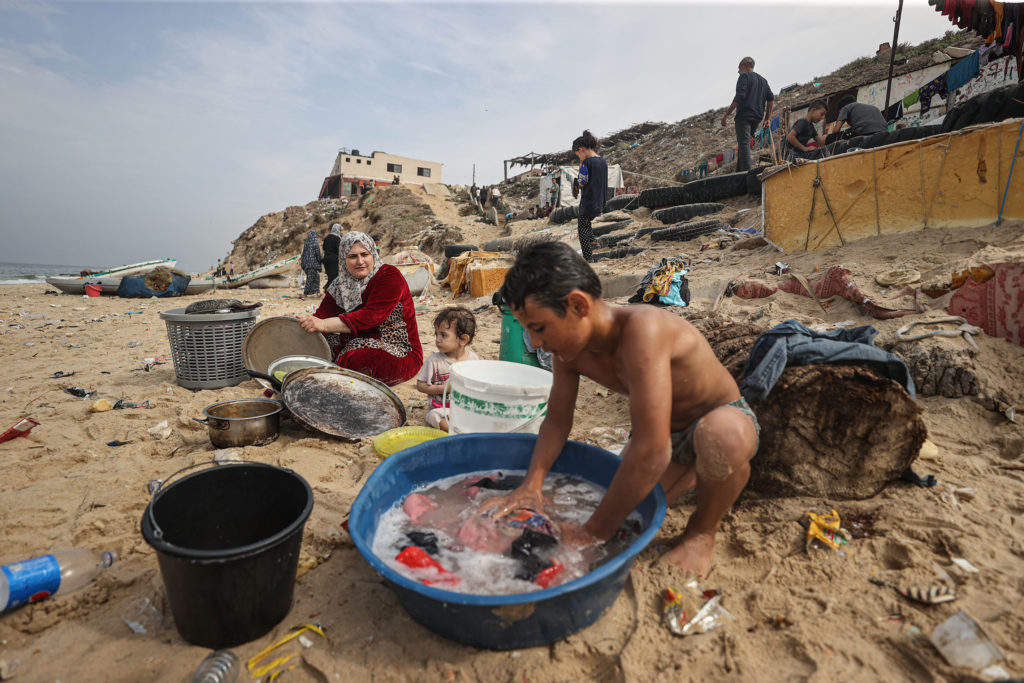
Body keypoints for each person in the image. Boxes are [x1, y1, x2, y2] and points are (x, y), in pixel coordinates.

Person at [480, 241, 760, 577]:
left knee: (719, 438)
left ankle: (702, 532)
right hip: (668, 432)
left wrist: (591, 534)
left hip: (722, 417)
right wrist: (532, 484)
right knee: (632, 515)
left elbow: (653, 451)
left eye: (538, 328)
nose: (535, 343)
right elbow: (556, 421)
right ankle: (691, 474)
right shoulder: (568, 351)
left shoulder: (644, 331)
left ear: (577, 305)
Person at [297, 231, 423, 386]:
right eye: (352, 256)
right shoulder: (340, 284)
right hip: (354, 342)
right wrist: (304, 327)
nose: (360, 261)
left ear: (373, 255)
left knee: (356, 359)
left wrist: (323, 324)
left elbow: (370, 317)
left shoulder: (389, 276)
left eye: (365, 254)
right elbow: (321, 315)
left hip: (398, 349)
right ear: (343, 259)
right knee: (315, 348)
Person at [415, 306, 480, 432]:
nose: (437, 339)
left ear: (463, 339)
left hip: (465, 407)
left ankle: (466, 430)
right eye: (436, 334)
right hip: (443, 409)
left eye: (443, 335)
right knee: (432, 416)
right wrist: (440, 389)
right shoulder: (434, 361)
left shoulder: (473, 360)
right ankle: (455, 432)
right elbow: (420, 385)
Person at [721, 57, 775, 172]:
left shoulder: (744, 76)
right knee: (743, 143)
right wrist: (767, 118)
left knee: (744, 142)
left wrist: (727, 114)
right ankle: (740, 172)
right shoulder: (763, 81)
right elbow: (771, 100)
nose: (738, 71)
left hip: (744, 116)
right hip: (757, 117)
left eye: (739, 68)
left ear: (745, 66)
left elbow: (740, 96)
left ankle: (747, 172)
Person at [572, 130, 608, 262]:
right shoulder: (603, 161)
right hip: (601, 200)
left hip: (588, 200)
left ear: (580, 150)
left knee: (582, 227)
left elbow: (582, 182)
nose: (579, 158)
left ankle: (588, 257)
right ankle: (593, 241)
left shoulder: (586, 163)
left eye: (577, 155)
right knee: (587, 223)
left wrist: (577, 184)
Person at [300, 229, 322, 296]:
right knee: (310, 279)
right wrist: (320, 260)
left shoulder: (306, 242)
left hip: (306, 264)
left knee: (316, 278)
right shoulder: (315, 242)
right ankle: (305, 293)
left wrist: (303, 263)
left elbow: (303, 253)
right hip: (312, 264)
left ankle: (317, 292)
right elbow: (317, 253)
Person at [322, 224, 342, 290]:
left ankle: (327, 288)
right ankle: (328, 290)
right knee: (334, 276)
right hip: (334, 260)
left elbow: (324, 248)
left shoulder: (327, 237)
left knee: (330, 275)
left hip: (326, 259)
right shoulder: (337, 238)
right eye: (340, 230)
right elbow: (339, 249)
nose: (341, 231)